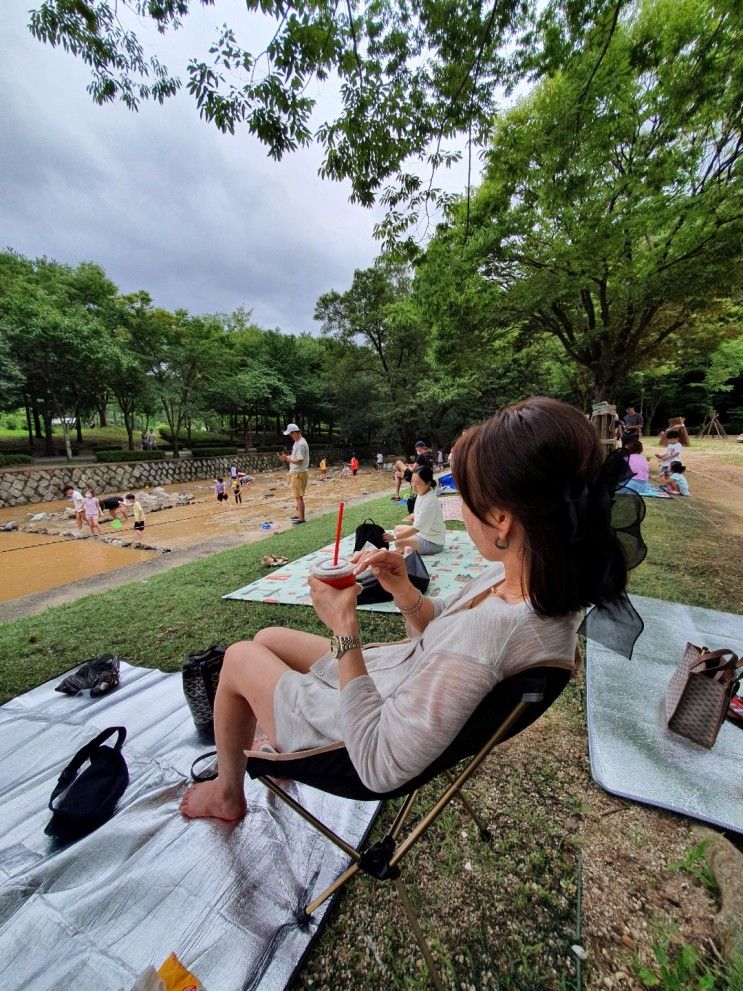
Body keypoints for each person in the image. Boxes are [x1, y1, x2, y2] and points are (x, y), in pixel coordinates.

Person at [180, 396, 636, 821]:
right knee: (268, 639)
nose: (460, 509)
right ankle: (276, 728)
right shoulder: (533, 579)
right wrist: (403, 591)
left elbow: (380, 763)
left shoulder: (496, 636)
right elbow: (443, 638)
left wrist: (344, 627)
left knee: (240, 656)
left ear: (502, 520)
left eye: (467, 499)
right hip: (391, 679)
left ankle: (227, 795)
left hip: (360, 735)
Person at [383, 463, 446, 555]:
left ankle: (402, 548)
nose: (413, 486)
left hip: (432, 542)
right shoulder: (422, 492)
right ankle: (405, 545)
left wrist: (394, 537)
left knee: (398, 543)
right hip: (422, 533)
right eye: (412, 481)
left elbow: (416, 528)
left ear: (428, 483)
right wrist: (414, 515)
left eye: (417, 483)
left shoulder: (430, 501)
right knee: (397, 528)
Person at [278, 423, 309, 525]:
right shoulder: (298, 442)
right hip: (298, 472)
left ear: (295, 432)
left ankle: (301, 519)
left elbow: (299, 461)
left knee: (299, 497)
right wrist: (287, 457)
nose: (290, 436)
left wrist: (287, 459)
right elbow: (295, 456)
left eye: (291, 434)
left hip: (298, 473)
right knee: (297, 496)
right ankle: (299, 515)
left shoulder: (300, 444)